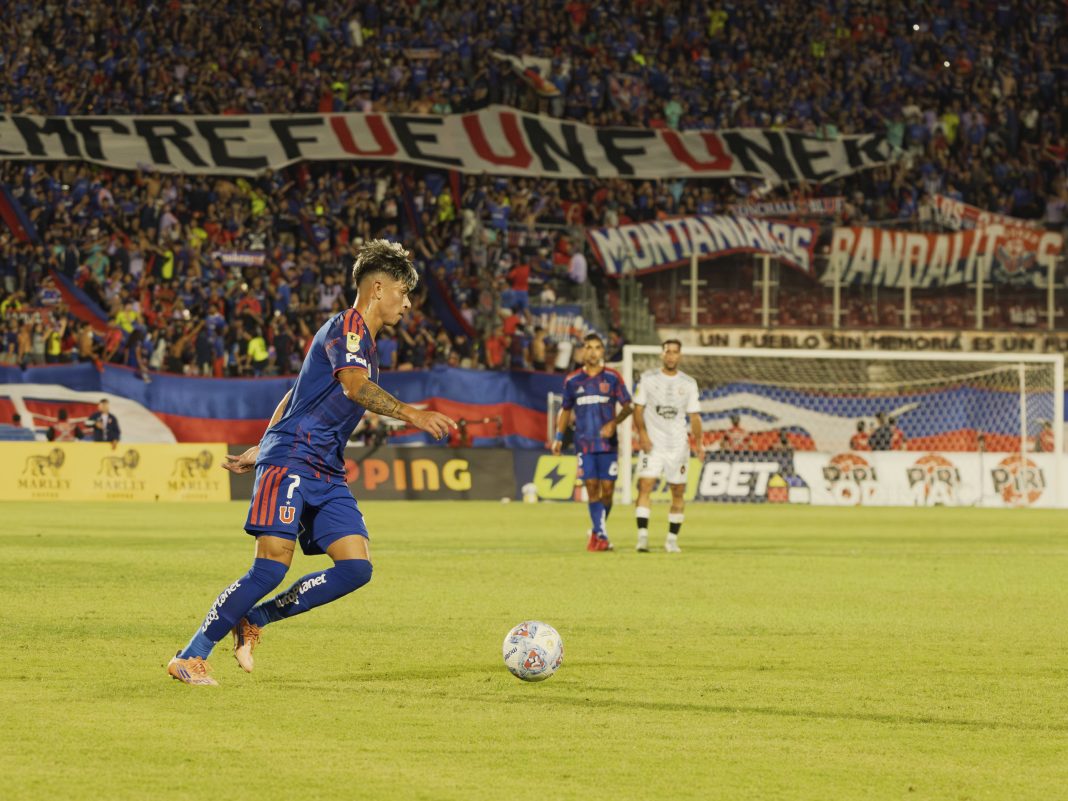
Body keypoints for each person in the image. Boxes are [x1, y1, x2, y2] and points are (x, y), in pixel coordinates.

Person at [166, 240, 456, 686]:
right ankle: (191, 655)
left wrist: (259, 446)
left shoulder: (362, 341)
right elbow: (355, 388)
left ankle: (255, 619)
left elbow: (294, 393)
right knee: (270, 567)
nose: (407, 302)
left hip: (325, 467)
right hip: (294, 460)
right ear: (378, 287)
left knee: (356, 567)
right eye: (403, 291)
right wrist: (414, 414)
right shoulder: (349, 327)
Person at [551, 332, 632, 551]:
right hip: (584, 444)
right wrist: (558, 438)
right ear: (582, 351)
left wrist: (614, 423)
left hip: (608, 445)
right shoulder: (572, 380)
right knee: (592, 487)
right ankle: (602, 536)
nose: (592, 351)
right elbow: (565, 411)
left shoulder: (613, 377)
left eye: (597, 347)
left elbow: (628, 405)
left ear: (602, 352)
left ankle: (596, 530)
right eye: (588, 347)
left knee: (608, 491)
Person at [632, 340, 704, 553]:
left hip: (677, 447)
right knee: (644, 485)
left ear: (680, 356)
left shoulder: (689, 383)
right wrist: (643, 434)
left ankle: (672, 539)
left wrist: (699, 443)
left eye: (675, 352)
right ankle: (642, 537)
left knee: (678, 491)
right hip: (652, 445)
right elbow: (637, 409)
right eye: (668, 352)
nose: (671, 356)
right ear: (661, 354)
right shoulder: (647, 379)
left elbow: (694, 416)